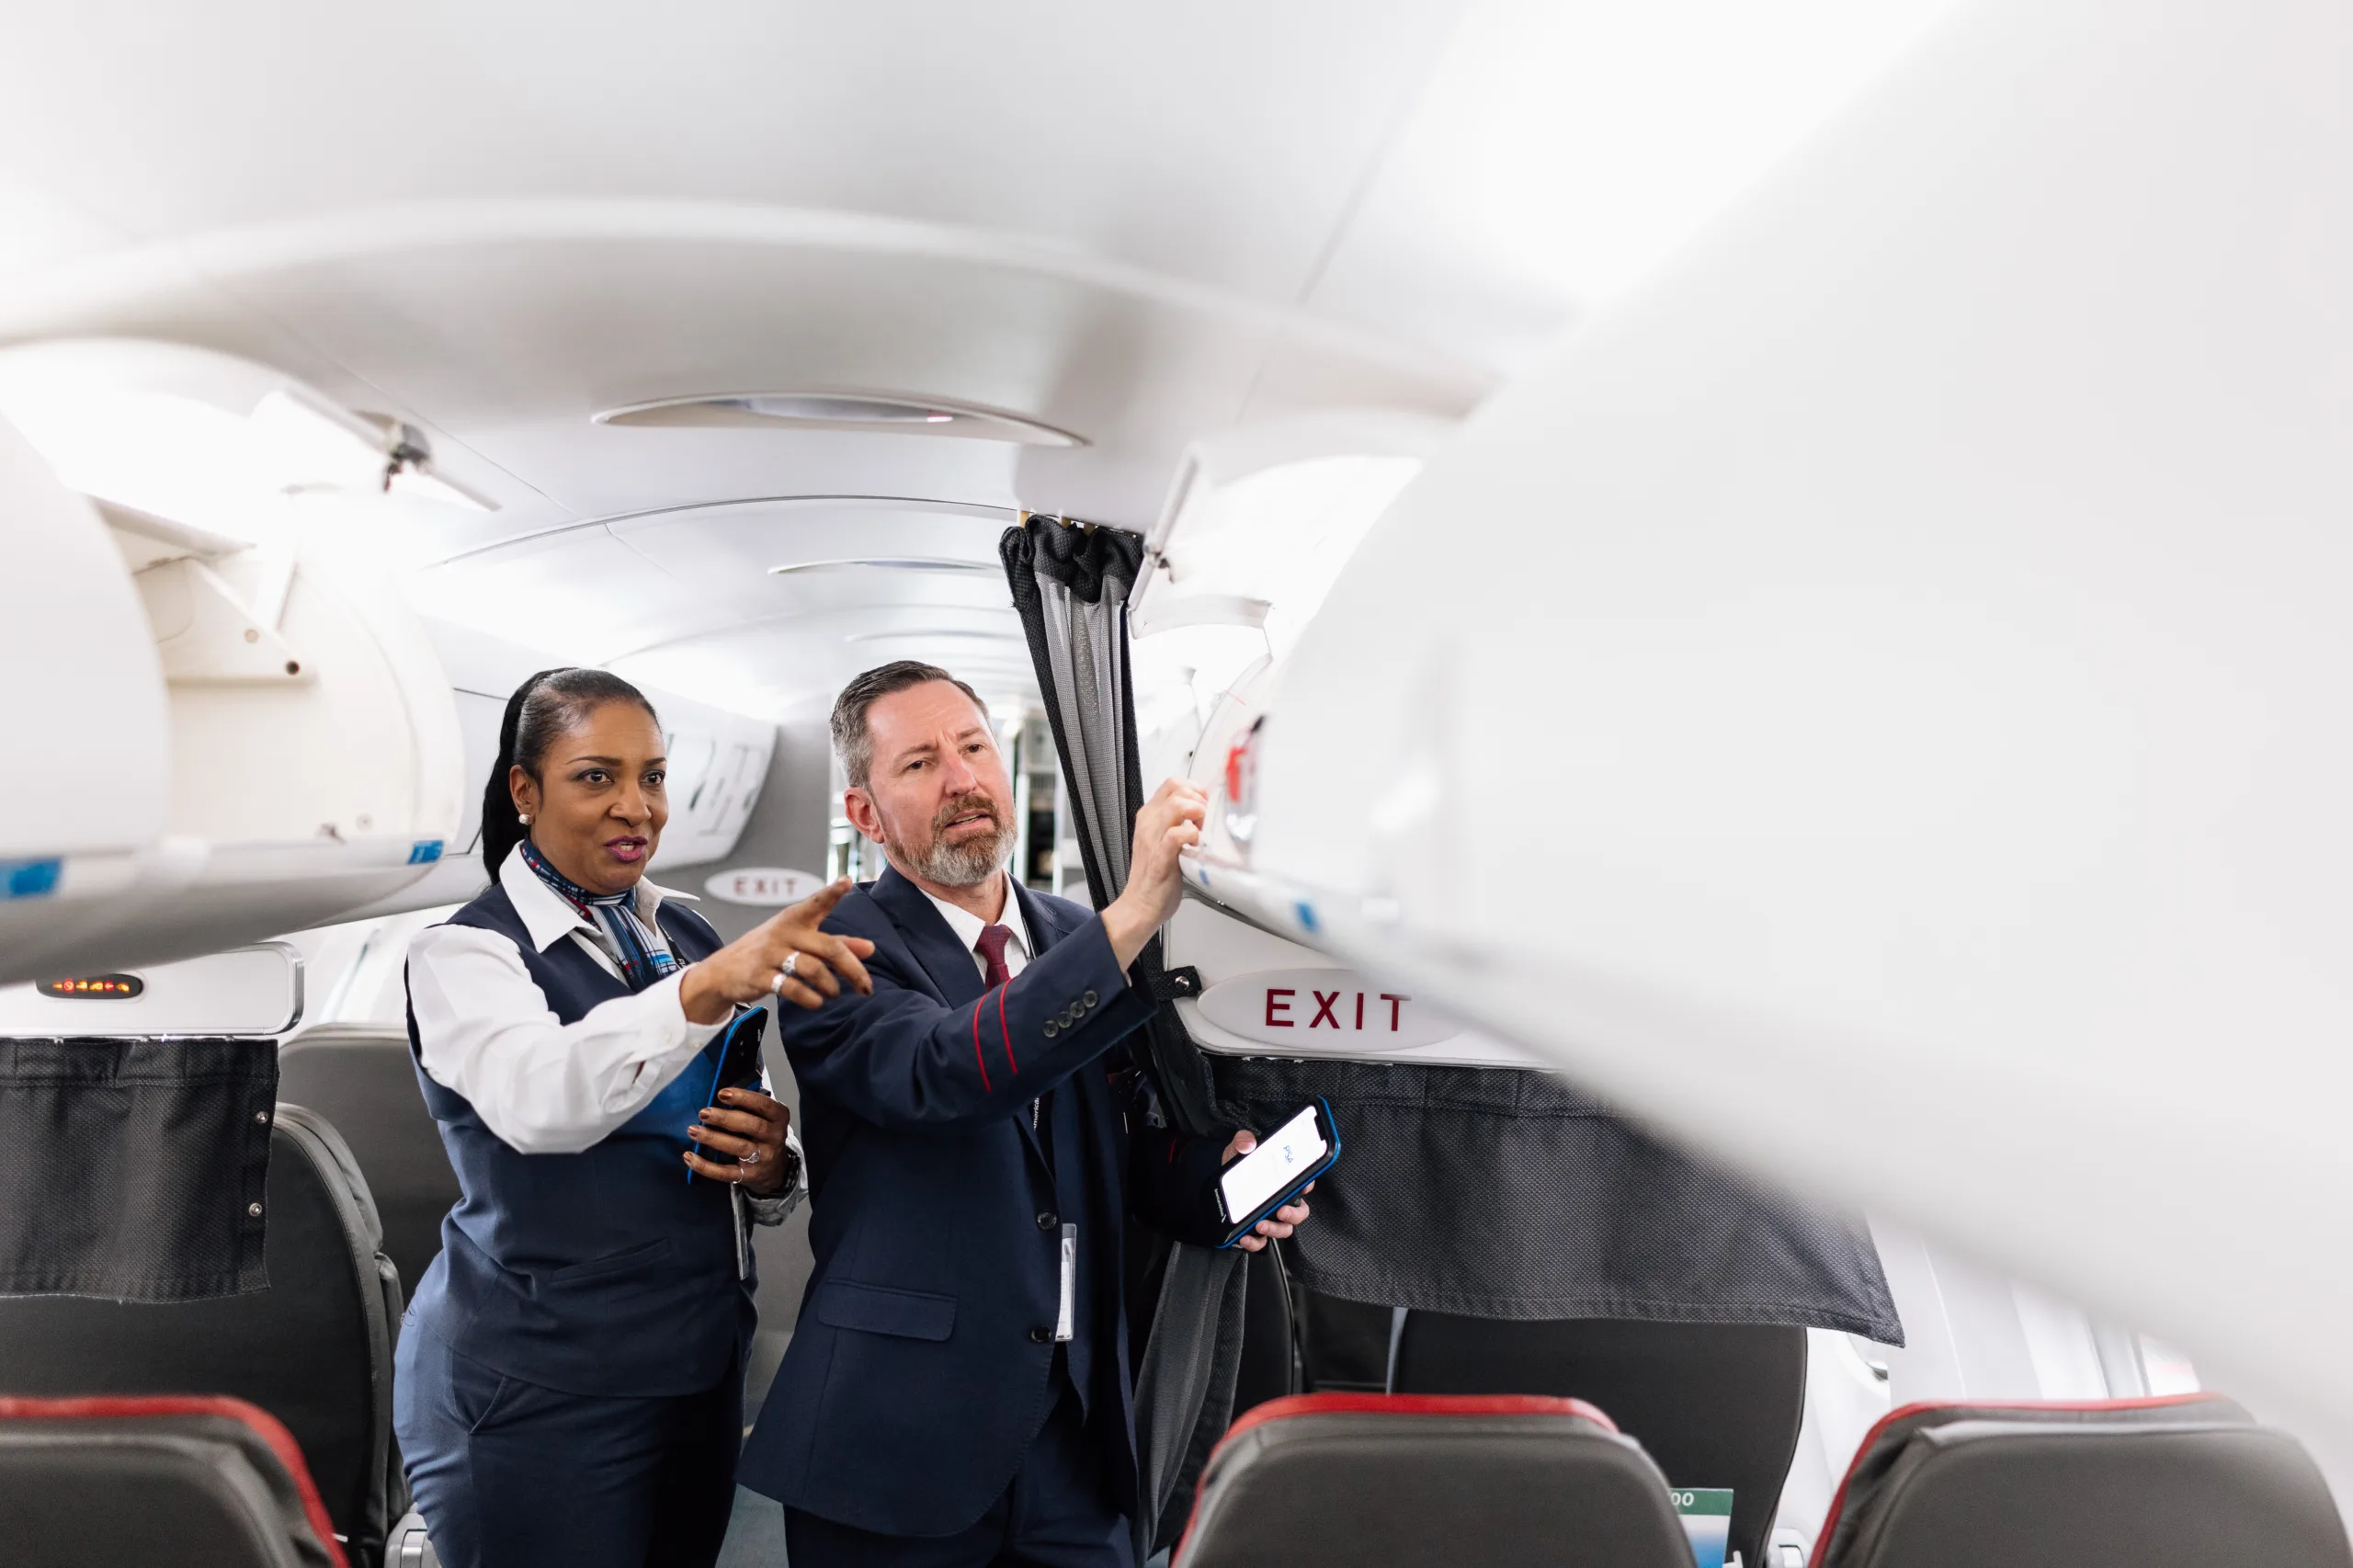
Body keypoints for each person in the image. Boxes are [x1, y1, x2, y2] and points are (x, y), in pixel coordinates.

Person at [736, 660, 1313, 1568]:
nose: (962, 778)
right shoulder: (833, 951)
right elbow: (949, 1070)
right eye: (920, 762)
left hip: (1072, 1435)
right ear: (864, 814)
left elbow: (1109, 1139)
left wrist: (1218, 1186)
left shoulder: (1064, 932)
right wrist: (1129, 917)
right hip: (898, 1437)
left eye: (973, 747)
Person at [393, 666, 877, 1568]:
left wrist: (773, 1160)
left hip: (690, 1367)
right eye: (595, 776)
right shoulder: (464, 952)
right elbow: (545, 1099)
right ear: (524, 790)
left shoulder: (684, 932)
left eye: (652, 775)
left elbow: (747, 1099)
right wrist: (707, 986)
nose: (636, 805)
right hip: (533, 1384)